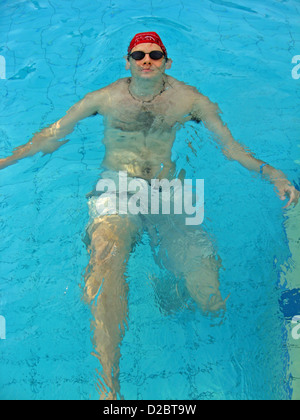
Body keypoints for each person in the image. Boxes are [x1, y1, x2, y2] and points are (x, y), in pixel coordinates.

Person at [0, 32, 299, 399]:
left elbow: (231, 147)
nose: (146, 61)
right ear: (127, 61)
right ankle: (107, 386)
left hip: (167, 192)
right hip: (117, 189)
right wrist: (7, 161)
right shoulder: (104, 98)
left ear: (166, 62)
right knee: (107, 268)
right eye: (138, 55)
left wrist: (273, 173)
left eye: (155, 55)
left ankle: (172, 292)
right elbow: (53, 135)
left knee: (210, 300)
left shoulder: (189, 100)